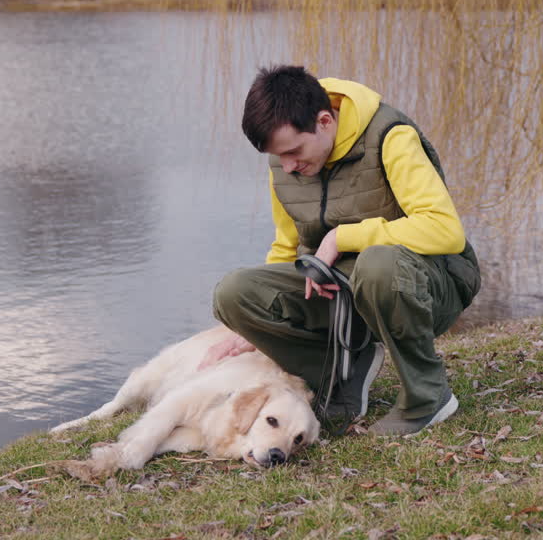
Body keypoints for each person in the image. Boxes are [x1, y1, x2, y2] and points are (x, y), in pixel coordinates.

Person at [205, 65, 480, 436]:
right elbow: (286, 245)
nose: (288, 166)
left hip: (425, 284)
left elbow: (445, 231)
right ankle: (340, 375)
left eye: (294, 152)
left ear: (324, 121)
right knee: (233, 293)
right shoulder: (286, 160)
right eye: (278, 156)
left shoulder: (390, 137)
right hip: (340, 292)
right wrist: (253, 326)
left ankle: (427, 396)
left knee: (378, 264)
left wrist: (341, 238)